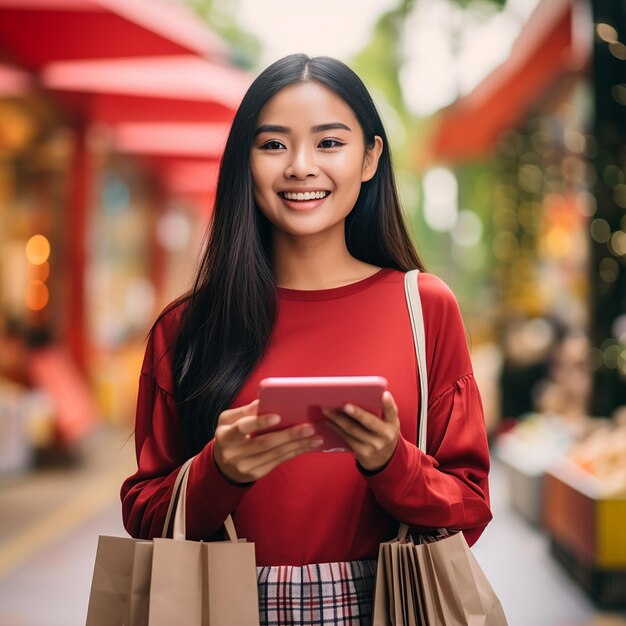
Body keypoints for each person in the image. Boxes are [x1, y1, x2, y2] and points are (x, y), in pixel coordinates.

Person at [121, 53, 492, 626]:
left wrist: (391, 463)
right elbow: (145, 517)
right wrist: (219, 471)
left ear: (370, 157)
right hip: (220, 608)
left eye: (328, 143)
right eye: (272, 145)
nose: (299, 166)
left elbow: (469, 508)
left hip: (388, 607)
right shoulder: (185, 329)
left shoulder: (426, 308)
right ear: (245, 161)